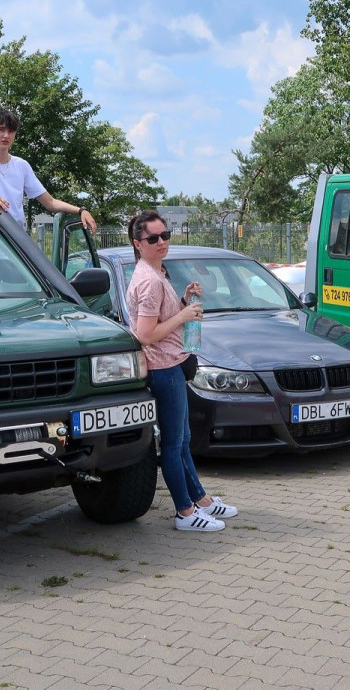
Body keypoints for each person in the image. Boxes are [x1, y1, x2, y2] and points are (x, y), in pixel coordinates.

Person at [125, 211, 238, 532]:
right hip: (162, 368)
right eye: (153, 239)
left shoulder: (156, 273)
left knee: (183, 439)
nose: (162, 243)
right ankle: (185, 513)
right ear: (138, 244)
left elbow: (160, 318)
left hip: (171, 364)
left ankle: (200, 500)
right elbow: (145, 333)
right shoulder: (148, 281)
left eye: (165, 236)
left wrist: (183, 301)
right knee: (174, 445)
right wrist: (185, 315)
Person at [0, 107, 97, 232]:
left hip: (15, 241)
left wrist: (80, 210)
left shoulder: (22, 165)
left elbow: (49, 202)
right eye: (1, 129)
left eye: (11, 131)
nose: (6, 135)